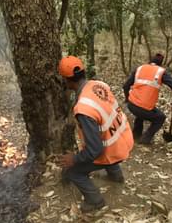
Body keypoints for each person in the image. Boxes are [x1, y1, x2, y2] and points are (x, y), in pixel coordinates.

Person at [57, 56, 134, 212]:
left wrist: (75, 159)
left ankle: (95, 201)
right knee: (107, 146)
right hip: (123, 137)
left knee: (74, 172)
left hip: (111, 148)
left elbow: (95, 149)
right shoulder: (99, 84)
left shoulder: (83, 109)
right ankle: (116, 176)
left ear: (66, 81)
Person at [123, 53, 172, 145]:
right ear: (161, 64)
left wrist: (127, 99)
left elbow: (125, 86)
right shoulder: (161, 72)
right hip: (143, 107)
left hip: (132, 104)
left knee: (141, 110)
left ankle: (136, 134)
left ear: (150, 61)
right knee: (160, 118)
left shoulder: (139, 68)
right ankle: (145, 139)